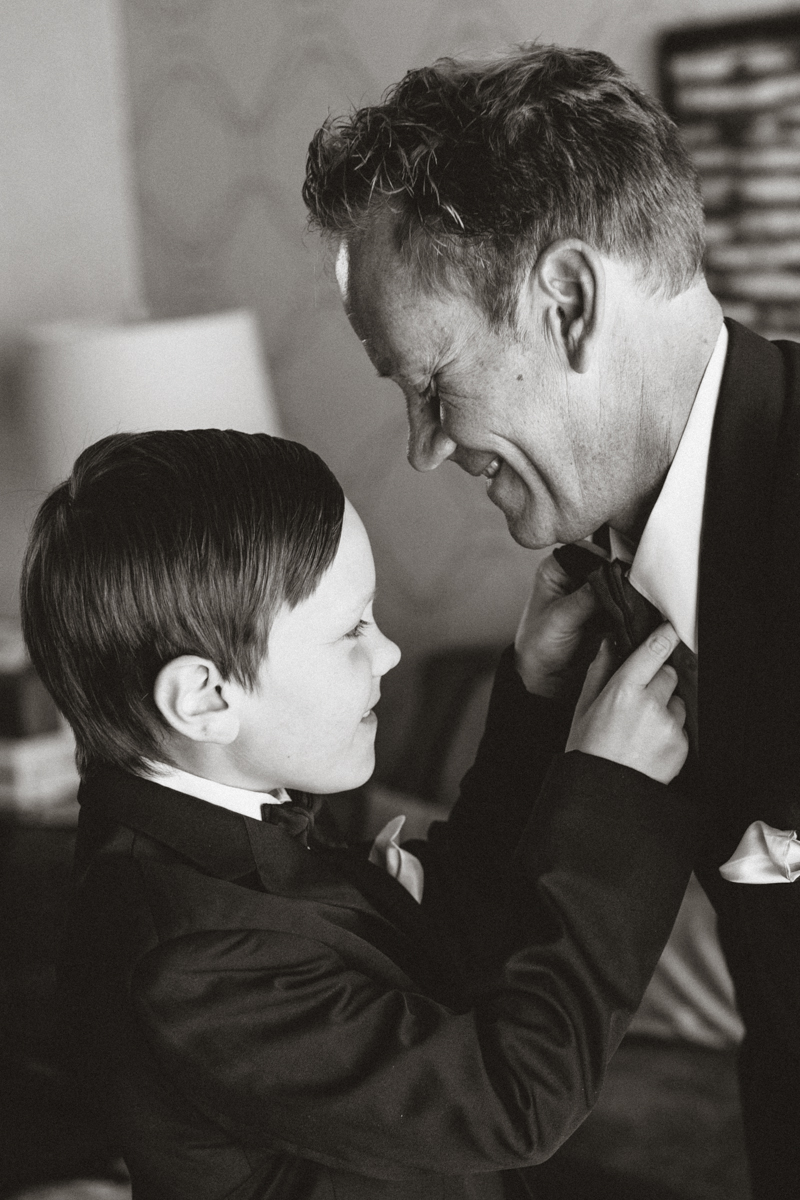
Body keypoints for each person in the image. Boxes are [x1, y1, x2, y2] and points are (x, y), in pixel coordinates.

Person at [304, 38, 800, 1199]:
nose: (425, 449)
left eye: (429, 383)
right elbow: (501, 937)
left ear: (566, 302)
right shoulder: (609, 573)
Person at [20, 429, 693, 1200]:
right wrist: (613, 798)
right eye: (352, 630)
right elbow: (516, 1098)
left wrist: (537, 693)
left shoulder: (231, 809)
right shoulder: (186, 961)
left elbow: (455, 934)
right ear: (205, 697)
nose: (389, 654)